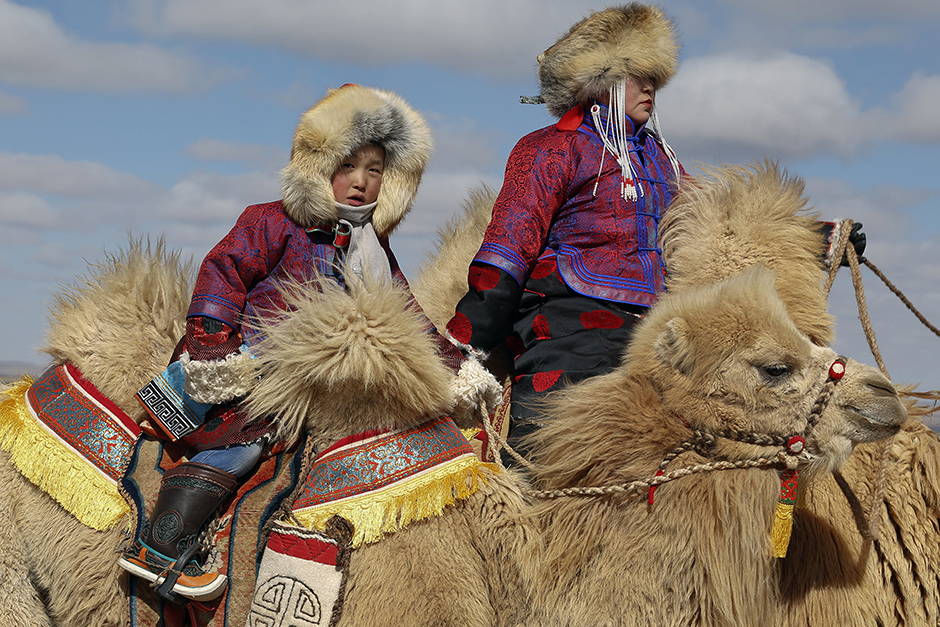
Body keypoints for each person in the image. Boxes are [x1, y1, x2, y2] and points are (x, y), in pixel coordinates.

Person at [119, 84, 470, 602]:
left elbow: (407, 315)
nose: (360, 182)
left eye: (374, 169)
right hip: (256, 370)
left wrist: (456, 366)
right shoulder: (270, 221)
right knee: (247, 443)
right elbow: (223, 274)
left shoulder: (374, 249)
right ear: (317, 165)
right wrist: (215, 350)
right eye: (348, 165)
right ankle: (160, 549)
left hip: (322, 383)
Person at [445, 4, 687, 455]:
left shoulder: (663, 160)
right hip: (568, 318)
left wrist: (814, 240)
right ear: (600, 79)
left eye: (656, 76)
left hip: (660, 324)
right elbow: (509, 246)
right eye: (637, 73)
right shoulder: (550, 148)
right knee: (552, 444)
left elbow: (712, 225)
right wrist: (466, 343)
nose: (651, 86)